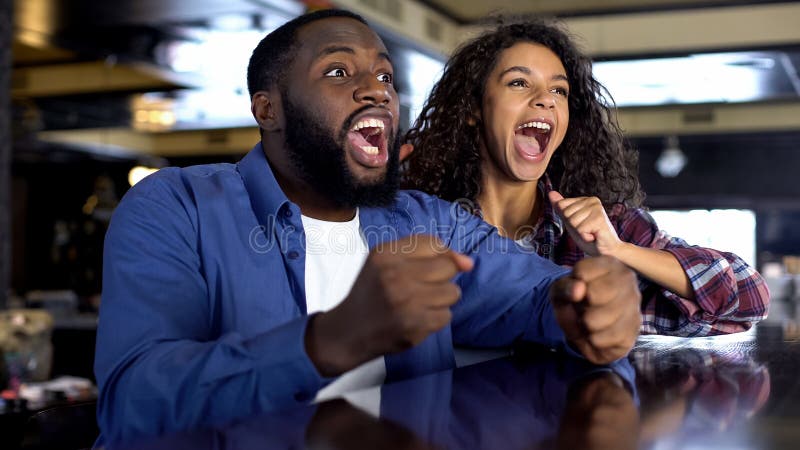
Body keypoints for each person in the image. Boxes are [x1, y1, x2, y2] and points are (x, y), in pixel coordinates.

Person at [94, 9, 642, 444]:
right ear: (268, 110)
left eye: (384, 74)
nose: (377, 89)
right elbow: (131, 407)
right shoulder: (176, 207)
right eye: (339, 71)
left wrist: (588, 302)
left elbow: (535, 296)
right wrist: (330, 341)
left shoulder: (426, 220)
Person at [402, 18, 769, 337]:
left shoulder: (604, 228)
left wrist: (618, 252)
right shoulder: (423, 220)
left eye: (559, 90)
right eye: (518, 83)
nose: (545, 99)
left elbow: (749, 294)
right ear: (472, 109)